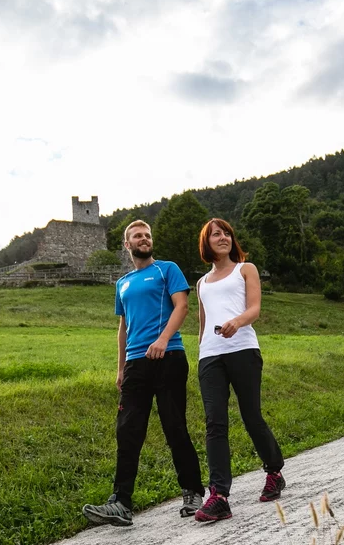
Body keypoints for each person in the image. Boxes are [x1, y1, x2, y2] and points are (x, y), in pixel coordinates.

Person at [81, 220, 205, 527]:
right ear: (128, 245)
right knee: (127, 430)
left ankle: (192, 491)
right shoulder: (122, 283)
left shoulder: (167, 269)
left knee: (174, 425)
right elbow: (123, 327)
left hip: (169, 356)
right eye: (138, 236)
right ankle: (120, 502)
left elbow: (182, 307)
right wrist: (121, 367)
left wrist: (162, 340)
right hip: (136, 364)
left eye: (147, 235)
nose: (144, 239)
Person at [191, 218, 285, 523]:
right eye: (216, 234)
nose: (223, 237)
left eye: (227, 233)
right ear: (206, 243)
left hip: (243, 349)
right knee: (214, 422)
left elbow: (255, 308)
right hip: (210, 356)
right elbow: (203, 323)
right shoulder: (202, 283)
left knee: (251, 416)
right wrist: (201, 353)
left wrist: (237, 322)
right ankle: (219, 496)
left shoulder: (246, 269)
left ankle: (274, 471)